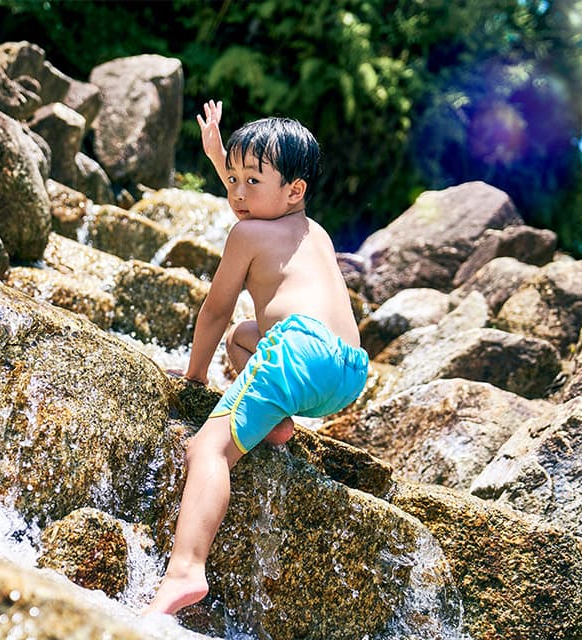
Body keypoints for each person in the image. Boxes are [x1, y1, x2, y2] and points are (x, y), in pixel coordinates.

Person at [144, 100, 368, 615]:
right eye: (233, 179)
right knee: (244, 340)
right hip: (348, 370)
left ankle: (184, 571)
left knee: (208, 450)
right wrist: (221, 154)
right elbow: (256, 205)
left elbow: (216, 306)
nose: (238, 193)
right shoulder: (314, 232)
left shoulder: (246, 234)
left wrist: (196, 376)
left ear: (295, 190)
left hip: (297, 350)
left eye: (252, 181)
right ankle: (276, 423)